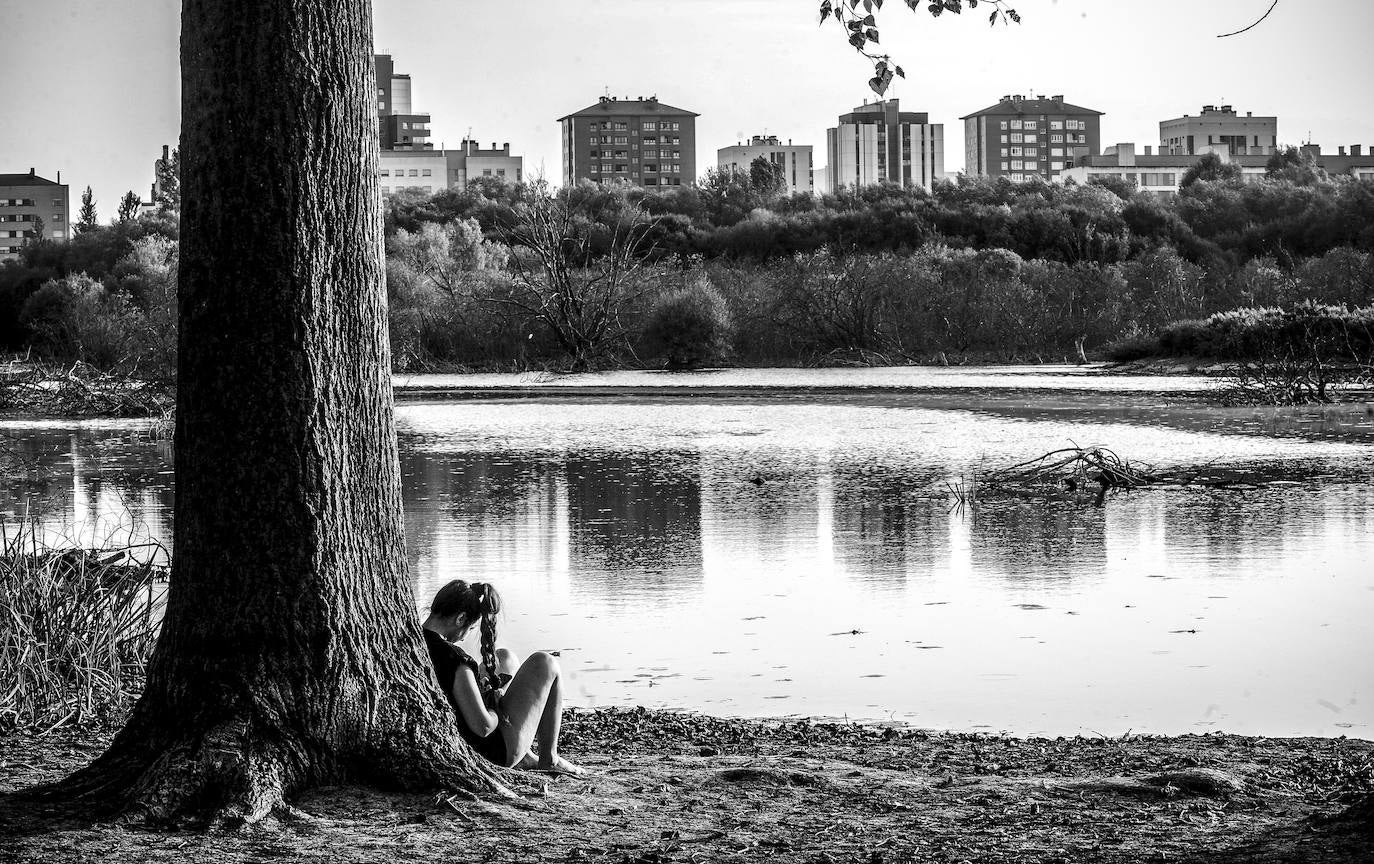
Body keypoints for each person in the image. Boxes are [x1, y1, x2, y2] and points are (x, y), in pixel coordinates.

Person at [421, 579, 582, 774]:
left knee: (504, 658)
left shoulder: (414, 641)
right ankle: (550, 759)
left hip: (464, 731)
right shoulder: (455, 661)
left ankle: (527, 755)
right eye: (470, 629)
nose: (464, 638)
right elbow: (483, 727)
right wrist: (494, 707)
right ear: (460, 618)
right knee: (545, 663)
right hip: (492, 751)